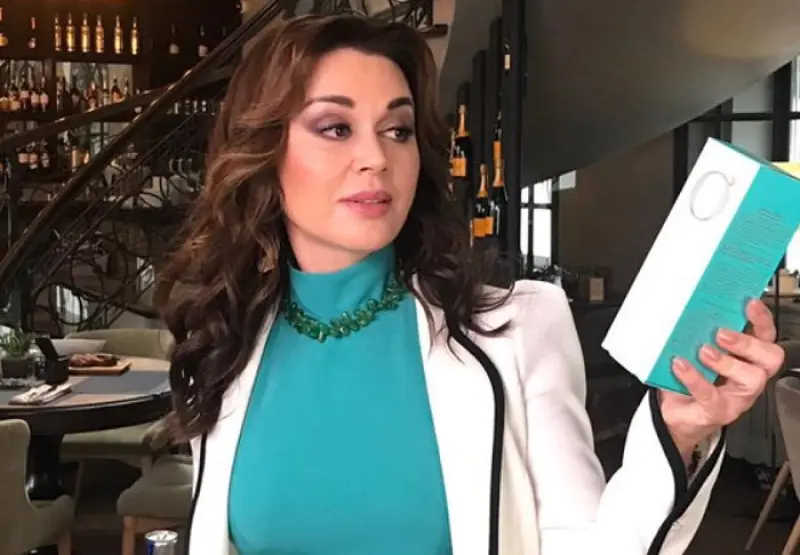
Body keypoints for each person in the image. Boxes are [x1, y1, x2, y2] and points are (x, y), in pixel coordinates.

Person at [159, 13, 785, 555]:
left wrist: (679, 433)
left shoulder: (514, 330)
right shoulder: (224, 342)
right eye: (336, 128)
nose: (376, 157)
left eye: (398, 130)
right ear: (264, 152)